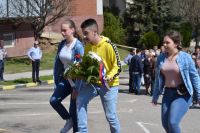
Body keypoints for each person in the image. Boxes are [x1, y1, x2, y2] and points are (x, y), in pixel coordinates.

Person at [76, 19, 122, 133]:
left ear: (95, 31)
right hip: (93, 83)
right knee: (80, 99)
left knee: (110, 117)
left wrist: (109, 77)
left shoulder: (109, 46)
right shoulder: (87, 47)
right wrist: (77, 72)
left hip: (109, 85)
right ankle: (82, 131)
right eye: (83, 33)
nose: (84, 36)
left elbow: (118, 67)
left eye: (86, 33)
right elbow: (87, 66)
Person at [152, 30, 200, 133]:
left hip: (183, 94)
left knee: (173, 123)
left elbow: (195, 77)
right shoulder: (161, 57)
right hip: (167, 94)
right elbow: (157, 78)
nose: (164, 44)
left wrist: (199, 96)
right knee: (166, 125)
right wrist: (155, 96)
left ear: (176, 44)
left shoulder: (185, 57)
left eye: (167, 42)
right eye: (164, 42)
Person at [49, 19, 84, 133]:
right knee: (54, 100)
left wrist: (77, 88)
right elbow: (58, 64)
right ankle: (69, 121)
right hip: (65, 79)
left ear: (72, 30)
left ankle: (75, 126)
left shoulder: (78, 46)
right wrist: (57, 81)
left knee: (74, 112)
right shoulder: (61, 44)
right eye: (61, 31)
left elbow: (81, 68)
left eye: (65, 30)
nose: (62, 33)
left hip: (75, 82)